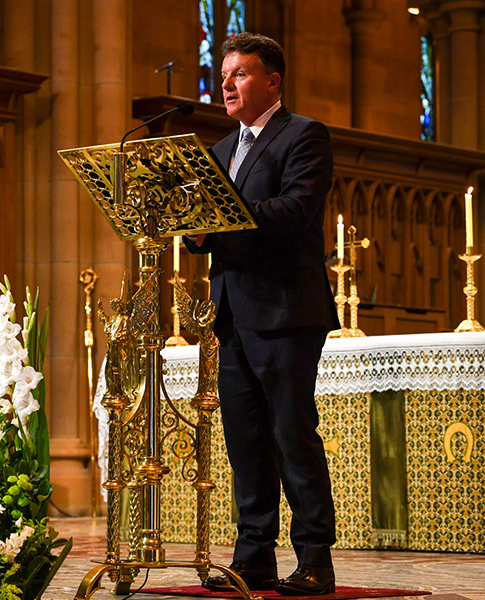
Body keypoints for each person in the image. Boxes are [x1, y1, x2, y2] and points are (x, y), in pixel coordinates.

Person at [183, 33, 340, 595]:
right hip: (232, 314)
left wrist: (220, 218)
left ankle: (316, 559)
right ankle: (253, 557)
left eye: (240, 74)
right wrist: (195, 231)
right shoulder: (222, 151)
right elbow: (208, 229)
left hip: (285, 309)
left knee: (291, 433)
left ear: (272, 81)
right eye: (223, 75)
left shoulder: (304, 136)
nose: (226, 84)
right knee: (244, 437)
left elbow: (296, 210)